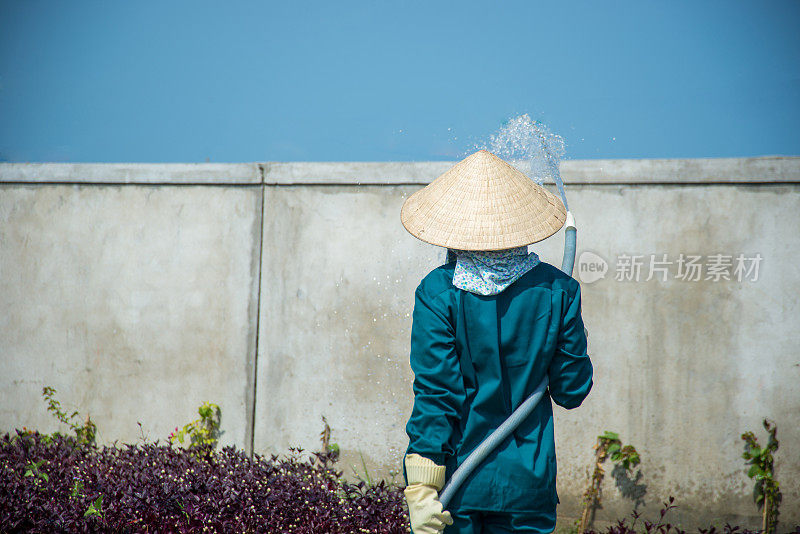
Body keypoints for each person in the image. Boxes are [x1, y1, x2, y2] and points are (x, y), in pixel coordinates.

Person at [399, 150, 594, 534]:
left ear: (456, 226)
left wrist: (421, 486)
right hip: (528, 488)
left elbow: (436, 393)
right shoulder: (558, 290)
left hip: (457, 487)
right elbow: (571, 391)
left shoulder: (439, 291)